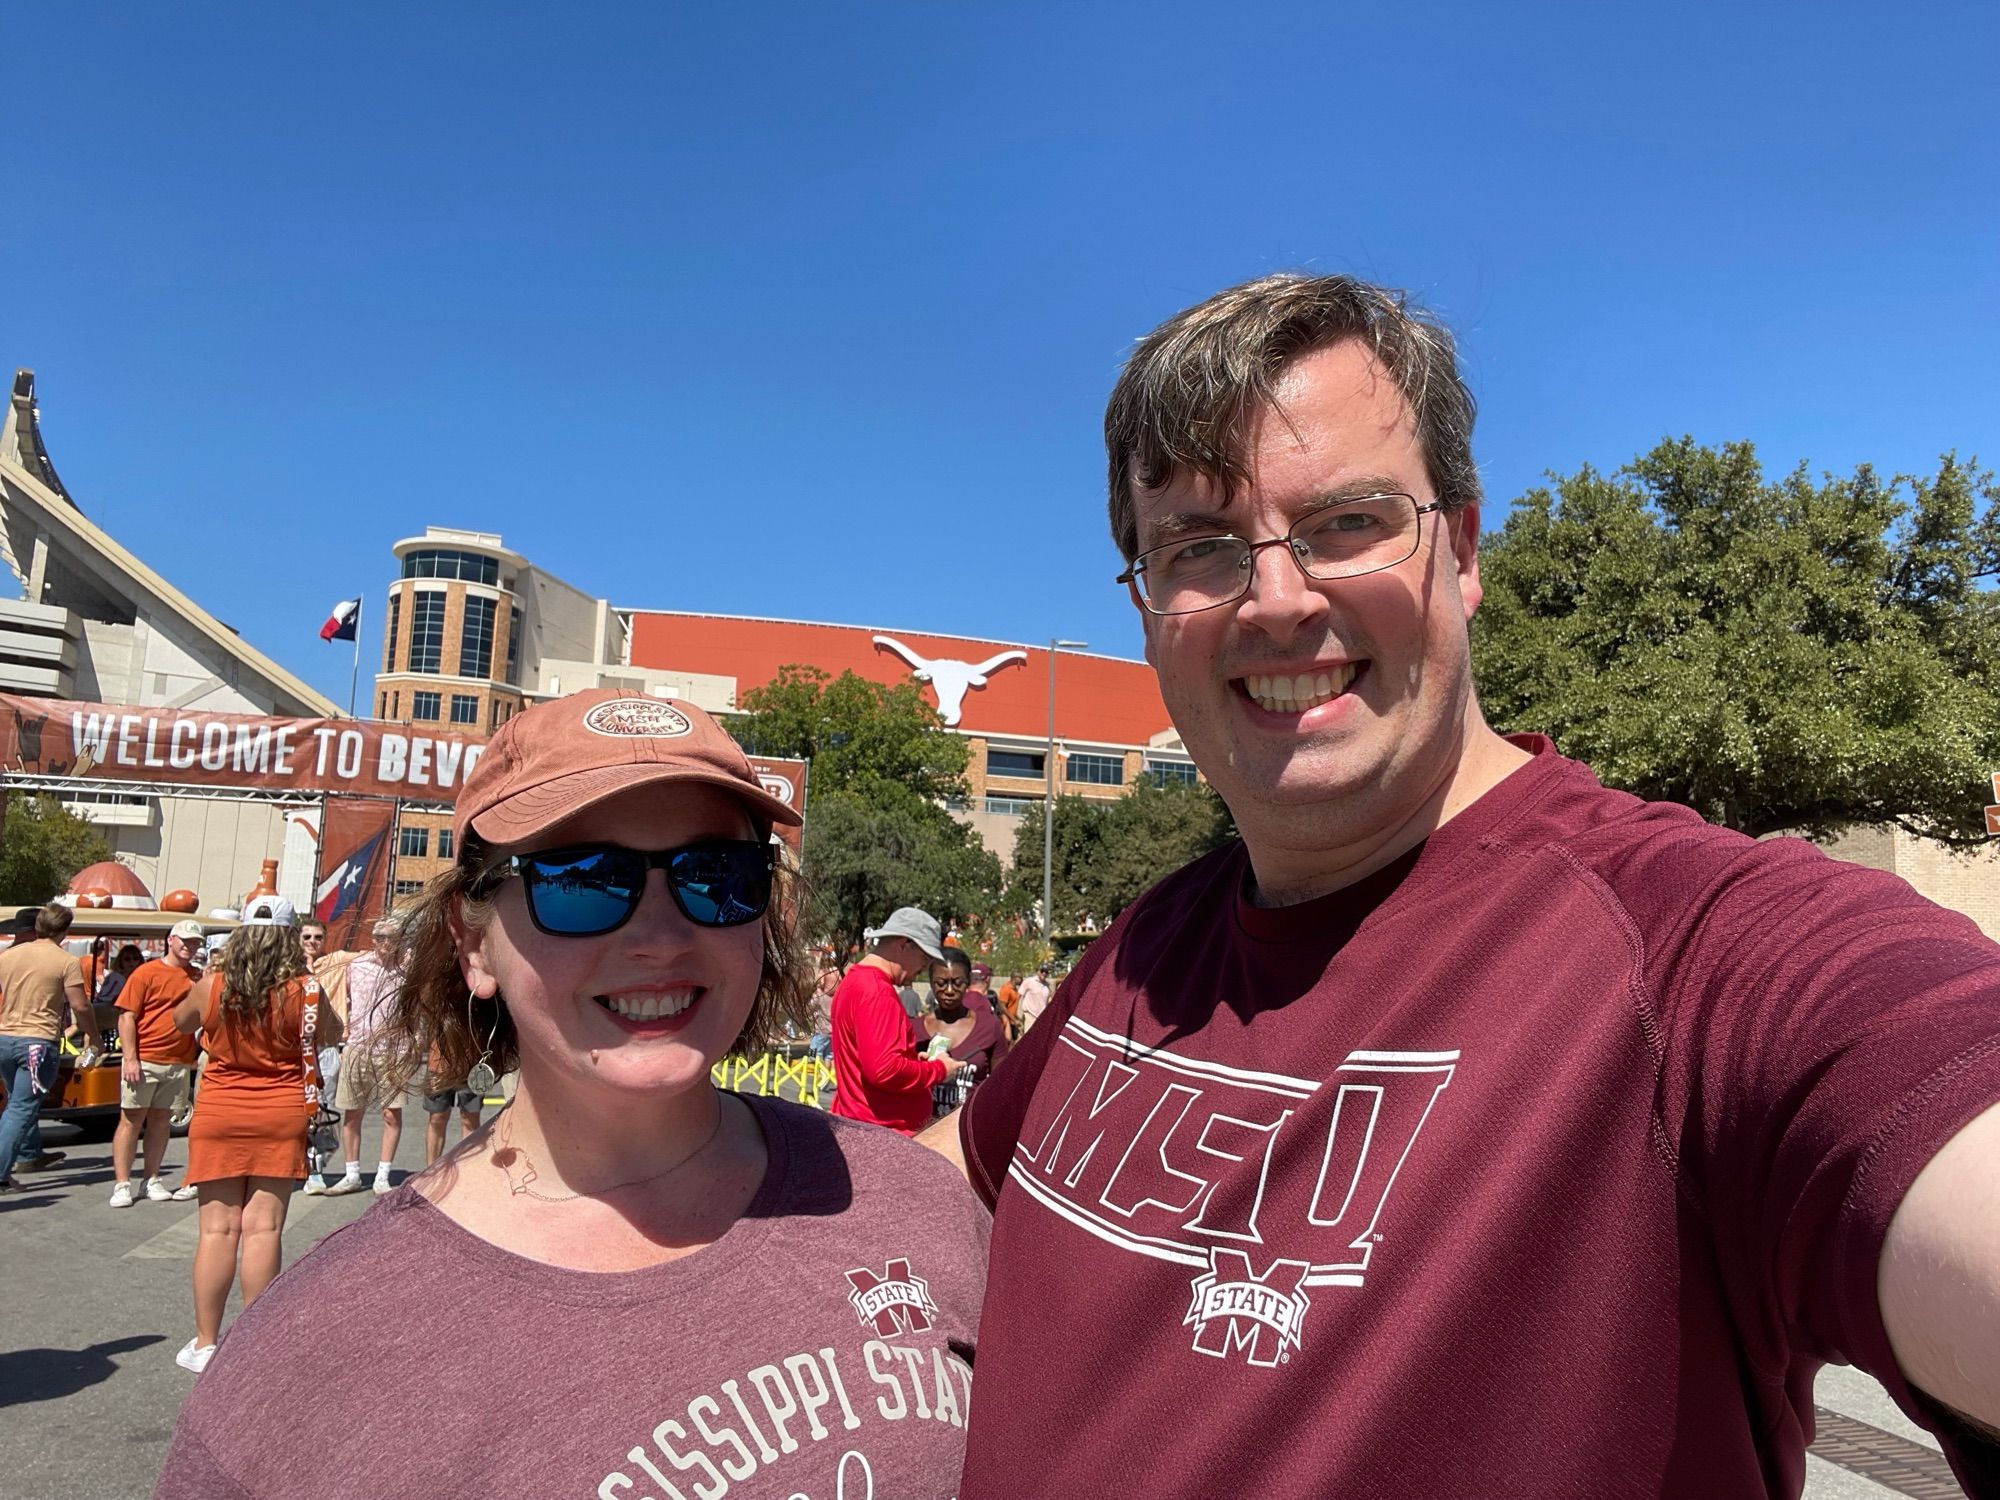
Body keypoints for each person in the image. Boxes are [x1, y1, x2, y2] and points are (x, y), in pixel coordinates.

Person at [923, 273, 2000, 1497]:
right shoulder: (1149, 944)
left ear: (1464, 547)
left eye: (1347, 522)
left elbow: (1929, 1112)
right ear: (1148, 603)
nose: (1277, 599)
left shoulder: (1687, 947)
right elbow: (946, 1176)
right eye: (1200, 549)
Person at [154, 689, 987, 1496]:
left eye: (717, 875)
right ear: (473, 943)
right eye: (581, 879)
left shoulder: (915, 1203)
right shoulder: (312, 1360)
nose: (663, 936)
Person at [168, 895, 340, 1373]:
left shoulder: (213, 984)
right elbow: (331, 1031)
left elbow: (180, 1022)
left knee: (217, 1230)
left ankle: (206, 1342)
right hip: (281, 1111)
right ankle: (252, 1343)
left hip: (220, 1109)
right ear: (290, 938)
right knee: (264, 1228)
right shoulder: (304, 989)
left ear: (240, 934)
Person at [829, 907, 964, 1135]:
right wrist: (939, 1069)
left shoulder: (855, 982)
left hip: (864, 1127)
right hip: (885, 1136)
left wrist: (916, 1064)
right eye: (924, 958)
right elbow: (884, 1070)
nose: (924, 968)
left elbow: (874, 1060)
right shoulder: (877, 991)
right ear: (903, 944)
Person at [0, 903, 102, 1192]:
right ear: (65, 930)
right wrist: (93, 1036)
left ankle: (26, 1156)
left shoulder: (8, 957)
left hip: (5, 1037)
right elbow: (80, 1006)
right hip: (38, 1042)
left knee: (14, 1105)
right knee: (20, 1108)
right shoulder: (65, 961)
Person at [109, 919, 205, 1207]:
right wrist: (130, 1058)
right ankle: (122, 1183)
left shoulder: (198, 977)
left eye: (196, 942)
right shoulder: (146, 973)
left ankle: (151, 1177)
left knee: (162, 1120)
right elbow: (126, 1016)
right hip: (145, 1058)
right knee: (131, 1119)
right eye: (185, 941)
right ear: (171, 940)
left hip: (178, 1061)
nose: (190, 946)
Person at [324, 918, 406, 1195]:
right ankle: (352, 1173)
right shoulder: (357, 966)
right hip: (358, 1046)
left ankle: (383, 1175)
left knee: (391, 1114)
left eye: (391, 937)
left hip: (393, 1050)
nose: (386, 943)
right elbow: (329, 969)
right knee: (352, 1112)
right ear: (373, 940)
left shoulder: (407, 968)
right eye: (380, 937)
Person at [922, 949, 1008, 1077]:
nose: (949, 990)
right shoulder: (914, 1029)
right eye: (941, 983)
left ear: (967, 981)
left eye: (958, 983)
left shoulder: (989, 1026)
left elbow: (1001, 1082)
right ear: (931, 982)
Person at [1012, 964, 1051, 1032]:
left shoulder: (1047, 985)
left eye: (1046, 972)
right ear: (1038, 971)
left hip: (1042, 1018)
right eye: (1042, 971)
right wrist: (1016, 1015)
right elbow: (1018, 997)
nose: (1044, 973)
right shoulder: (1029, 981)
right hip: (1029, 1016)